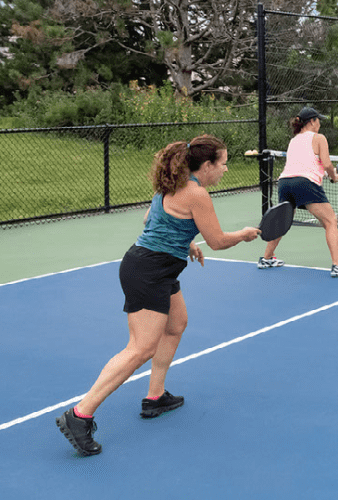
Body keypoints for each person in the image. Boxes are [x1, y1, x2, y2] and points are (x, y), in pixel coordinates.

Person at [56, 135, 260, 457]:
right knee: (140, 349)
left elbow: (151, 219)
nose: (225, 169)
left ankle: (155, 396)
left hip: (156, 267)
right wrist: (244, 235)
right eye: (222, 163)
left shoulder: (171, 186)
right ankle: (80, 414)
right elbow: (218, 241)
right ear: (207, 166)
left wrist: (186, 241)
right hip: (149, 271)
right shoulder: (197, 193)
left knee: (176, 324)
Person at [257, 107, 338, 277]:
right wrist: (334, 177)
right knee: (331, 221)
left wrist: (331, 175)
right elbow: (326, 164)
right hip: (304, 183)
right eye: (318, 120)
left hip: (285, 183)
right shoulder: (319, 138)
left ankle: (266, 258)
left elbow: (307, 165)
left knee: (282, 221)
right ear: (312, 121)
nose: (320, 124)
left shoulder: (294, 140)